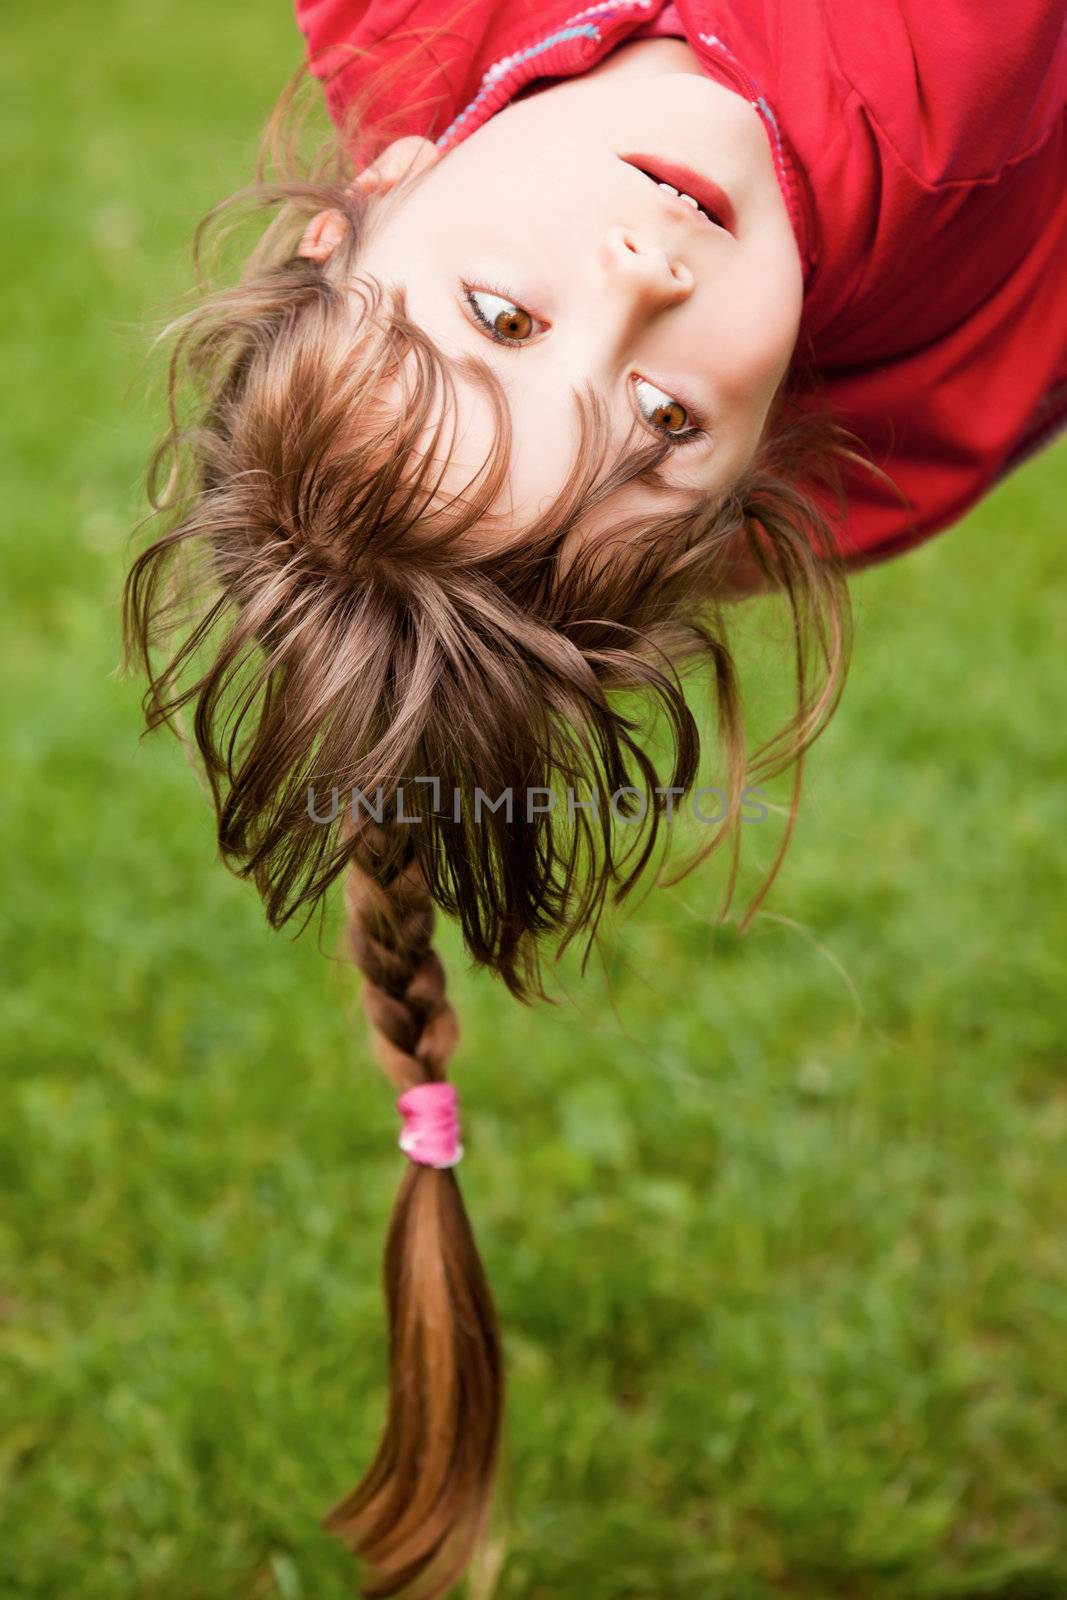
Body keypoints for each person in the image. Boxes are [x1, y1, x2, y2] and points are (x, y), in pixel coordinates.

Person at [120, 1, 1066, 1594]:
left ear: (383, 191)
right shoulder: (954, 157)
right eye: (666, 424)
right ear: (772, 462)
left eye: (499, 314)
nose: (641, 279)